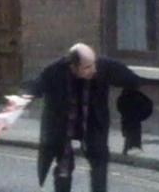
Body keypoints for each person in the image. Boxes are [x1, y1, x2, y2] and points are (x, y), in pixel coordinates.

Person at [21, 42, 151, 192]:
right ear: (73, 66)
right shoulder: (54, 70)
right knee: (64, 167)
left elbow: (132, 80)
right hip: (64, 125)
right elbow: (36, 86)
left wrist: (131, 108)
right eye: (87, 67)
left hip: (93, 123)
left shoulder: (104, 66)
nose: (94, 69)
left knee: (99, 162)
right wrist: (20, 101)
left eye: (94, 64)